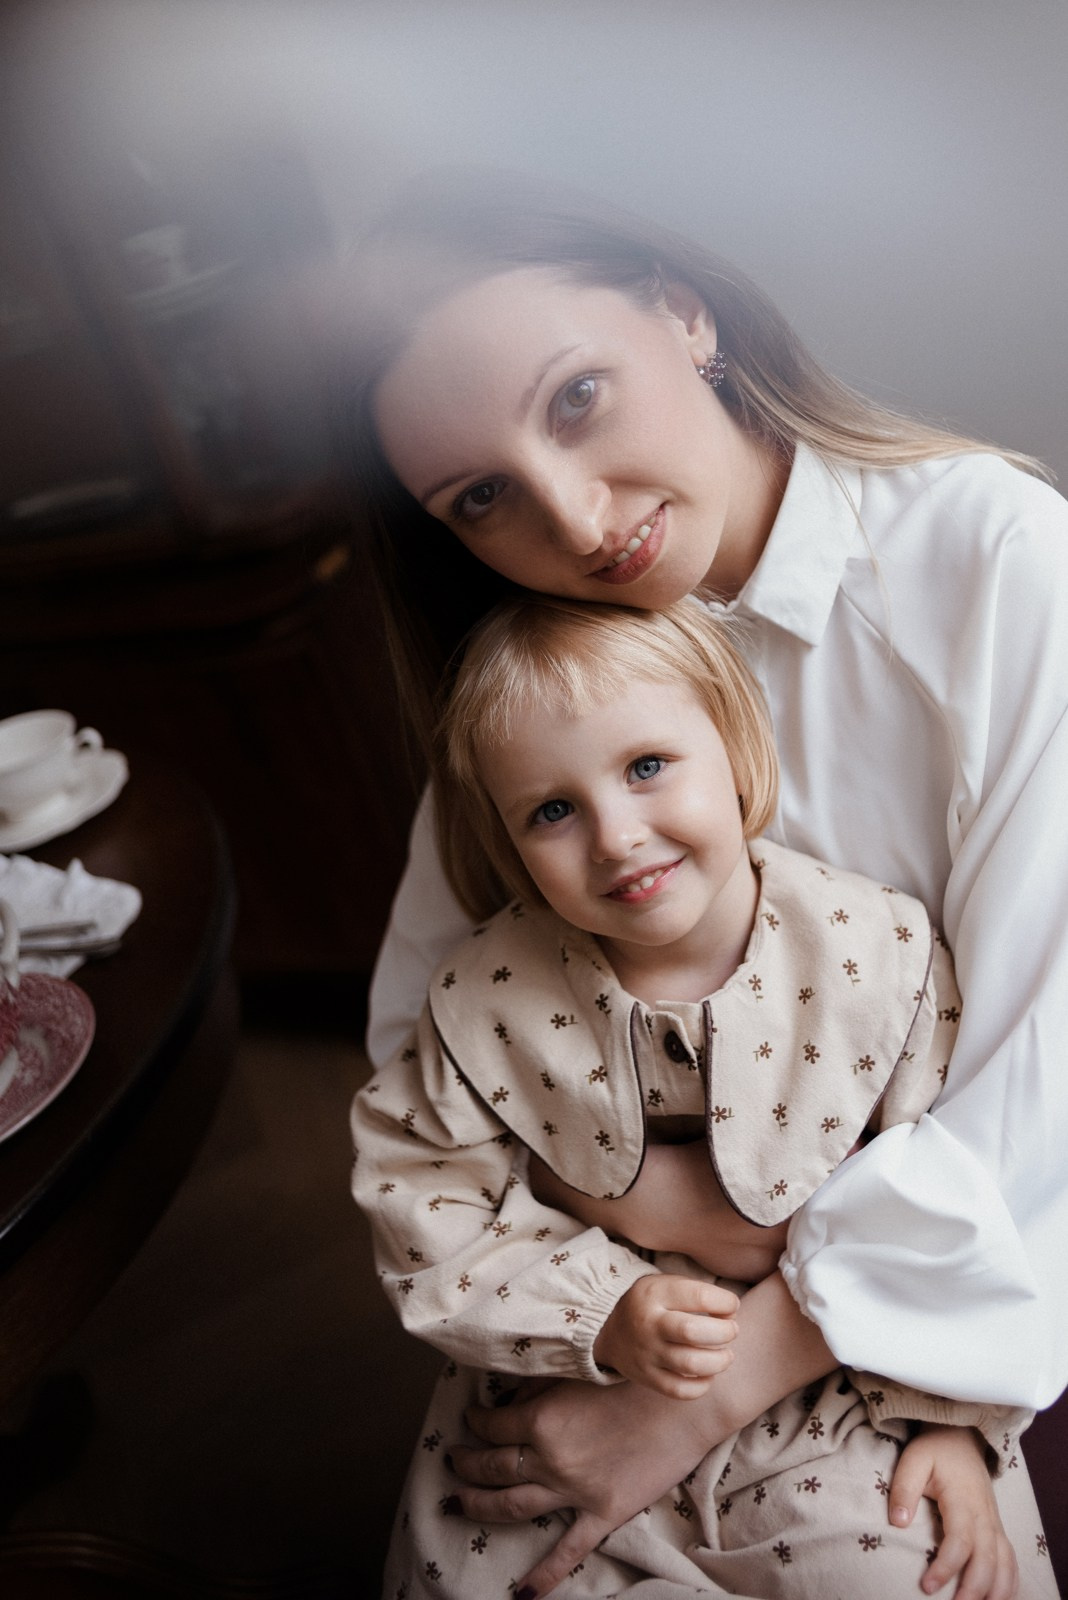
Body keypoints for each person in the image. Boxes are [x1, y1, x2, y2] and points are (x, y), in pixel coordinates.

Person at [337, 168, 1068, 1599]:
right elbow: (422, 1052)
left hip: (912, 1304)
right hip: (611, 1283)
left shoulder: (995, 560)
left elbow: (1044, 1068)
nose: (571, 518)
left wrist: (704, 1389)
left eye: (576, 399)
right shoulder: (537, 668)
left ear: (683, 311)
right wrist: (654, 1222)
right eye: (481, 496)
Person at [351, 593, 1051, 1599]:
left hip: (845, 1389)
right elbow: (417, 1195)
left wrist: (949, 1417)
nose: (615, 836)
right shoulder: (485, 996)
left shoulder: (876, 952)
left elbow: (961, 1195)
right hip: (569, 1383)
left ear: (736, 750)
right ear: (509, 845)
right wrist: (601, 1309)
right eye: (553, 811)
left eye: (646, 767)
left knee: (904, 1568)